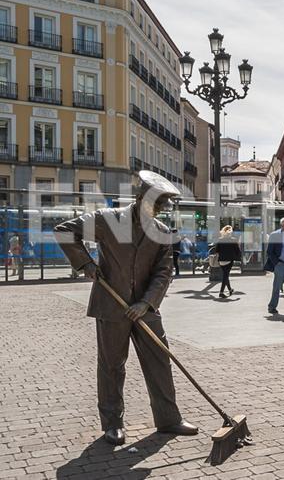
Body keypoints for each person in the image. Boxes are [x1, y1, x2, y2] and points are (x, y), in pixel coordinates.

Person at [53, 170, 198, 446]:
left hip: (146, 309)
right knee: (112, 366)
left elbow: (163, 272)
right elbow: (64, 231)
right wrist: (85, 263)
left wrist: (146, 302)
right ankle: (112, 424)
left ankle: (168, 419)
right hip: (112, 305)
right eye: (156, 205)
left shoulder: (162, 232)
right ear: (141, 198)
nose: (159, 211)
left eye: (162, 207)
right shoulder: (108, 219)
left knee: (159, 362)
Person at [214, 225, 242, 299]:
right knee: (225, 276)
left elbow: (216, 250)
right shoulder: (233, 240)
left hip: (221, 260)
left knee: (226, 275)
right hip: (229, 260)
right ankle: (221, 292)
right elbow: (238, 251)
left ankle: (230, 290)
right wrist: (239, 258)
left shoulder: (220, 240)